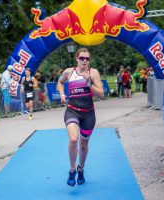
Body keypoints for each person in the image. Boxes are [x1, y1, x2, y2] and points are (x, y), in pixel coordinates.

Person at [57, 47, 104, 187]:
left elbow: (101, 94)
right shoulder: (68, 72)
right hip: (72, 110)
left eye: (87, 58)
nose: (85, 61)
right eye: (82, 58)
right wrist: (62, 95)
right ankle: (72, 170)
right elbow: (60, 82)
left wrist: (89, 84)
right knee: (73, 139)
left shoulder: (93, 73)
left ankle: (81, 169)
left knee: (83, 144)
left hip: (88, 114)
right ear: (77, 58)